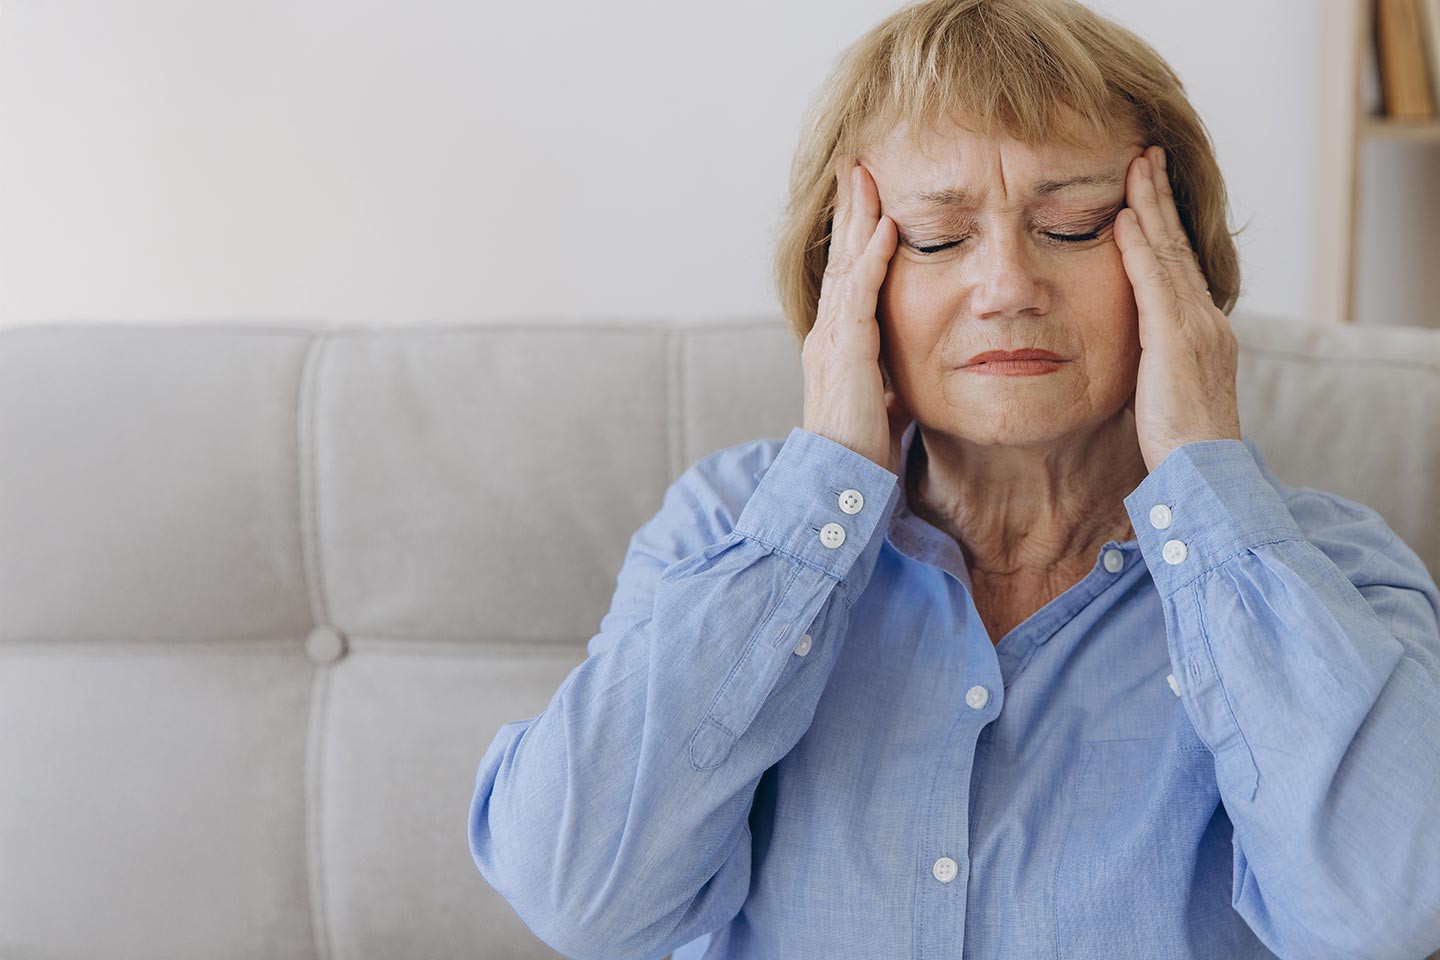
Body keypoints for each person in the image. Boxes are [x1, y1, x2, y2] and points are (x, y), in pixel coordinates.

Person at [468, 0, 1440, 957]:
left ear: (1177, 263)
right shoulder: (726, 527)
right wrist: (826, 491)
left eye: (1074, 224)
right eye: (936, 238)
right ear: (848, 281)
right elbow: (577, 895)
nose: (1008, 285)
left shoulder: (1329, 569)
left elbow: (1386, 913)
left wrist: (1202, 473)